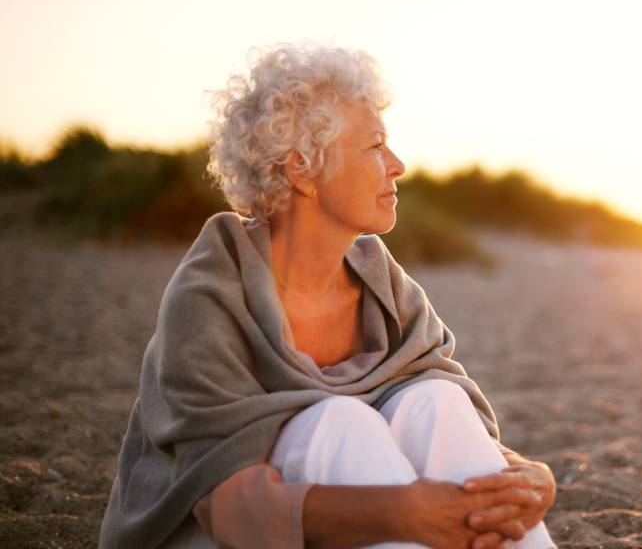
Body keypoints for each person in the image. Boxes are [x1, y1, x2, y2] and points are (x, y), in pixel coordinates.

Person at [98, 44, 557, 549]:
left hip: (349, 517)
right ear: (302, 169)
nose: (398, 164)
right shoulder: (211, 295)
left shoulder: (383, 285)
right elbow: (228, 508)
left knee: (437, 399)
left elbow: (459, 430)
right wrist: (401, 515)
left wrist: (526, 477)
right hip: (213, 532)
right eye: (374, 147)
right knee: (341, 423)